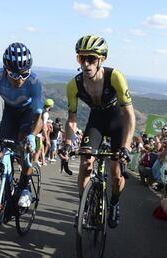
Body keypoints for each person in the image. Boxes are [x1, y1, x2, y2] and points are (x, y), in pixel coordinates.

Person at [62, 35, 135, 228]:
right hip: (96, 122)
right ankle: (84, 206)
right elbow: (72, 119)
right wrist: (68, 144)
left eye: (91, 59)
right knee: (86, 162)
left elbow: (130, 115)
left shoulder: (115, 77)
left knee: (116, 171)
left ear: (102, 59)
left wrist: (126, 147)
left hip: (118, 122)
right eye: (81, 58)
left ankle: (114, 202)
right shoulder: (74, 84)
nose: (86, 64)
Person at [0, 42, 43, 208]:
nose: (20, 80)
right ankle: (8, 188)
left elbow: (38, 115)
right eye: (14, 74)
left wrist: (32, 136)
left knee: (23, 147)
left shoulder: (34, 82)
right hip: (10, 112)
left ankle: (25, 187)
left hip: (28, 113)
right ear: (5, 69)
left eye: (24, 74)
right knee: (5, 147)